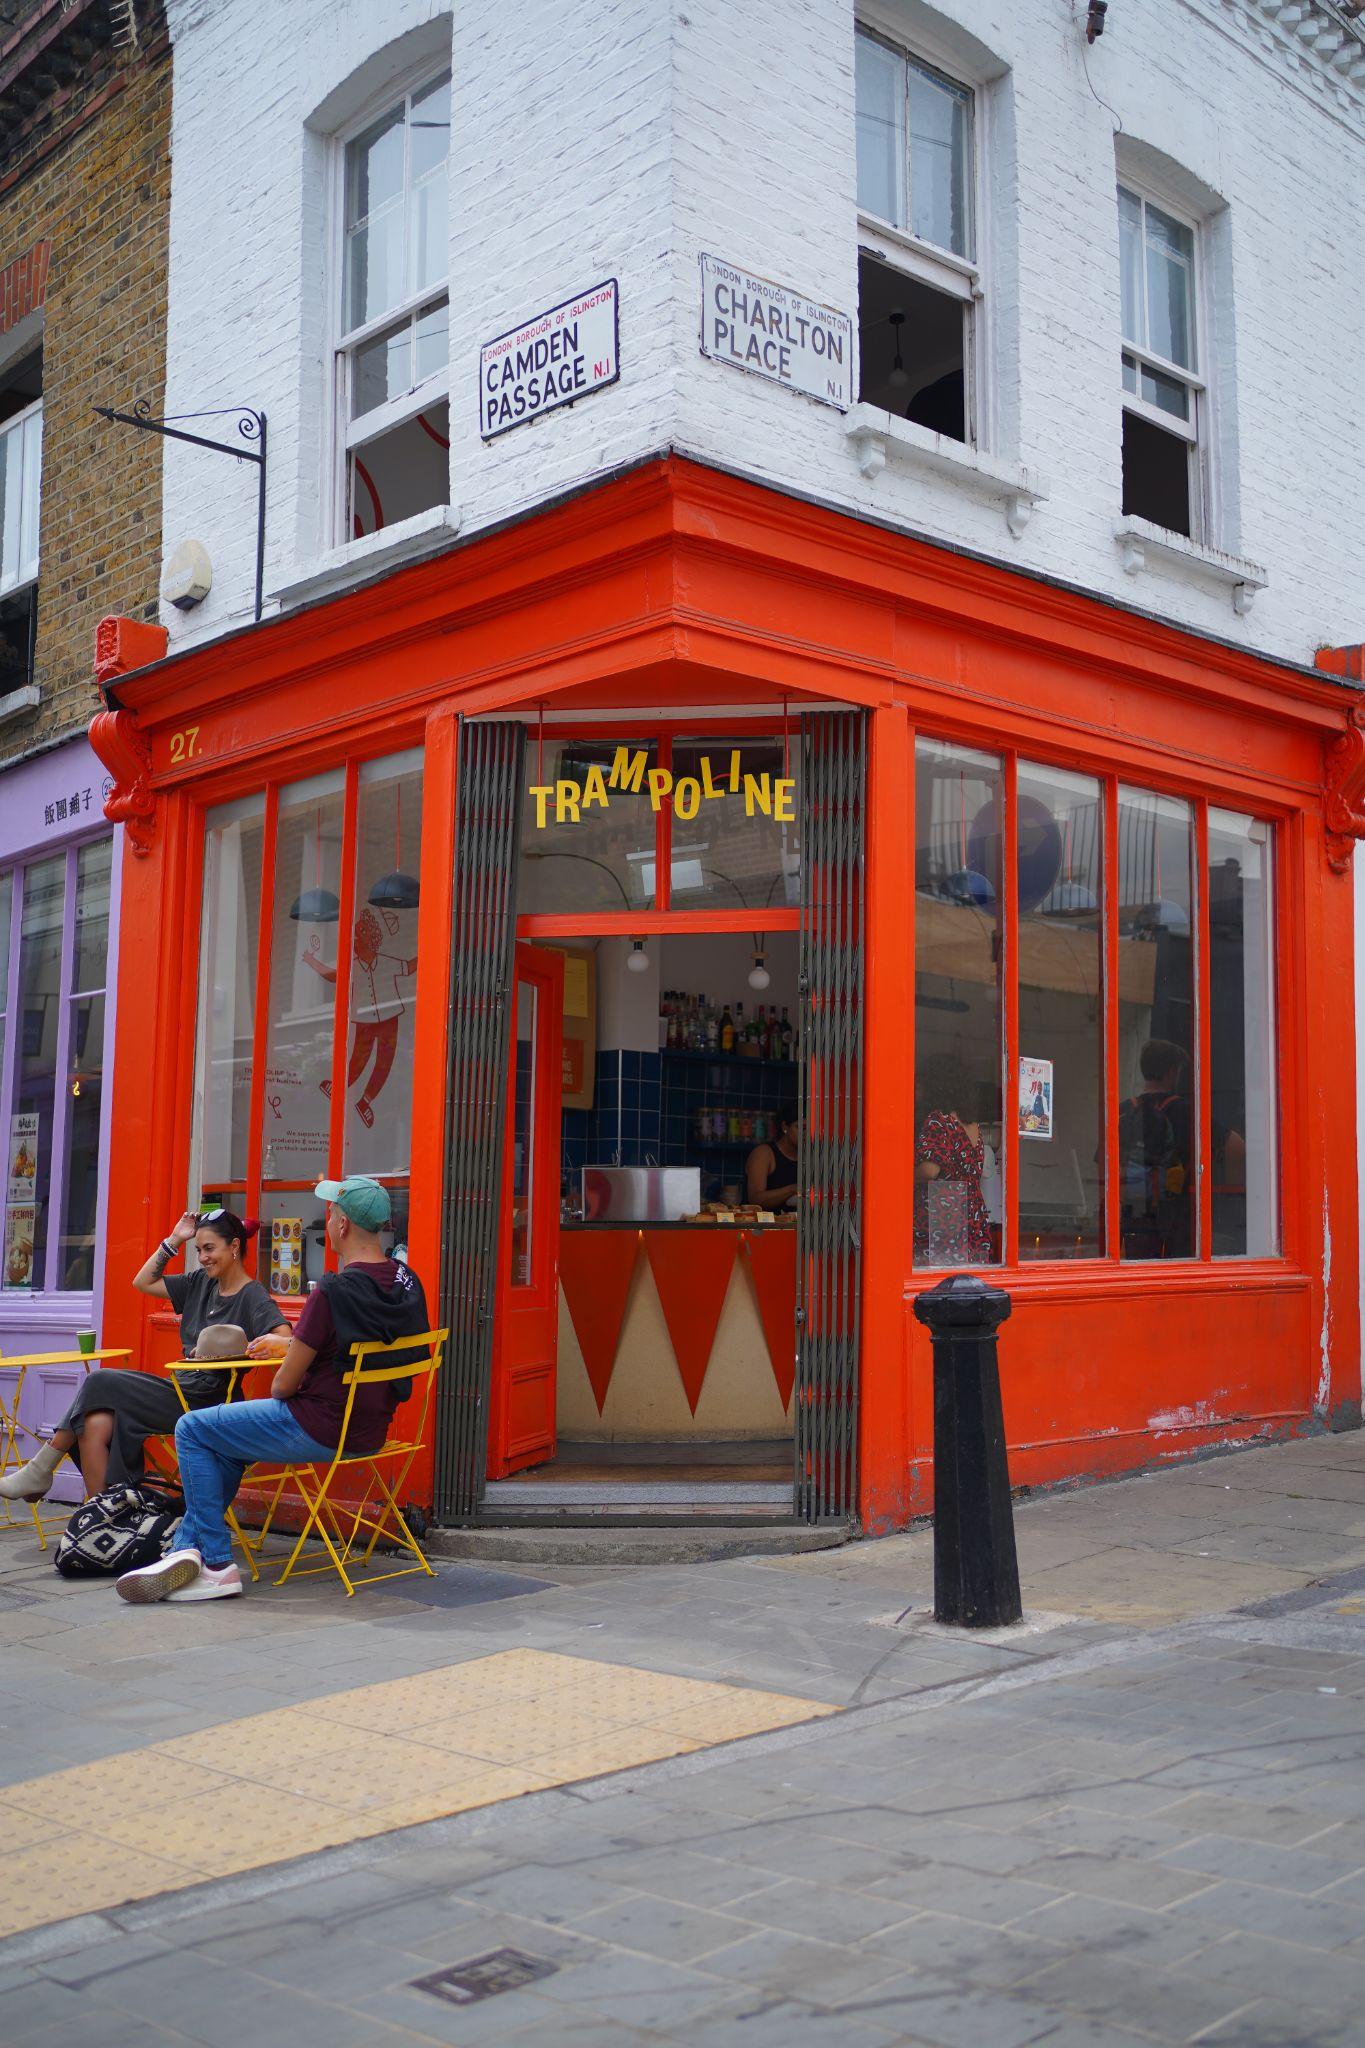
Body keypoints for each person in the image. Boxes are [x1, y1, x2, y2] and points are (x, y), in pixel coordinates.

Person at [115, 1175, 430, 1604]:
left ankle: (216, 1563)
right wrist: (296, 1342)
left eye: (333, 1210)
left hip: (317, 1426)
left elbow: (283, 1386)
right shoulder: (407, 1282)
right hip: (370, 1431)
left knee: (192, 1428)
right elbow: (359, 1342)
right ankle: (184, 1550)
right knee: (225, 1442)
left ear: (341, 1226)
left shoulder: (334, 1291)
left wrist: (294, 1353)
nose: (330, 1217)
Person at [0, 1208, 286, 1504]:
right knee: (95, 1422)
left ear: (235, 1246)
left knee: (99, 1380)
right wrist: (174, 1239)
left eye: (210, 1249)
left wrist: (257, 1345)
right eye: (199, 1249)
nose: (203, 1257)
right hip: (179, 1391)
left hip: (211, 1401)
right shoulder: (200, 1283)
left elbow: (285, 1339)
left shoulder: (253, 1295)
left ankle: (42, 1468)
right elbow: (143, 1282)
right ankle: (104, 1519)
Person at [914, 1053, 992, 1266]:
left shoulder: (939, 1121)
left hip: (943, 1216)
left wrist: (901, 1176)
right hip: (973, 1214)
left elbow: (930, 1170)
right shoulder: (973, 1125)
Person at [745, 1102, 801, 1210]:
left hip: (792, 1225)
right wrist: (792, 1189)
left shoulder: (811, 1157)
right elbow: (755, 1199)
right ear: (785, 1127)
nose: (806, 1134)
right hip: (759, 1225)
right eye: (801, 1128)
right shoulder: (764, 1153)